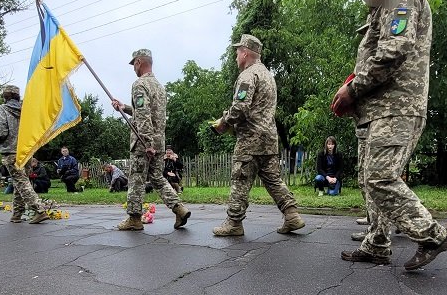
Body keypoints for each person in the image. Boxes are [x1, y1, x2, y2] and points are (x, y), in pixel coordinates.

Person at [333, 0, 447, 271]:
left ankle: (431, 235)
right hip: (377, 110)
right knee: (368, 179)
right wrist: (356, 95)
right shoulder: (382, 7)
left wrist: (352, 90)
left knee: (381, 177)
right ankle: (376, 243)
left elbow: (394, 51)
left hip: (396, 107)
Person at [210, 34, 305, 237]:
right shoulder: (268, 76)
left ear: (245, 53)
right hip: (269, 138)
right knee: (273, 180)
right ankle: (292, 215)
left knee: (240, 180)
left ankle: (234, 223)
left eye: (237, 52)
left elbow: (240, 108)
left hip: (250, 140)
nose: (236, 56)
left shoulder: (248, 75)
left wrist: (224, 122)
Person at [110, 49, 191, 231]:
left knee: (136, 179)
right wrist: (124, 107)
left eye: (134, 64)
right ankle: (179, 209)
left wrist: (146, 143)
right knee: (157, 177)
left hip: (143, 142)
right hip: (159, 141)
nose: (133, 68)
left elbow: (144, 115)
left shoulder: (139, 84)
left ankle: (134, 219)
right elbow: (148, 112)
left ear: (139, 62)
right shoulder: (159, 87)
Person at [0, 84, 49, 224]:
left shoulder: (1, 109)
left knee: (20, 181)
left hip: (11, 152)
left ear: (5, 96)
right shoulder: (26, 110)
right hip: (27, 151)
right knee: (19, 182)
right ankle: (17, 214)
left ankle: (39, 210)